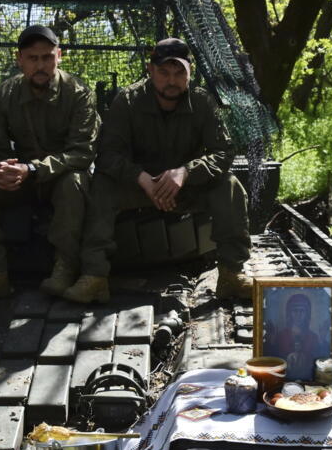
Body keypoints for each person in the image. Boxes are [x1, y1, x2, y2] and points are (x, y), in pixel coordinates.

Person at [67, 37, 252, 303]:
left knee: (229, 185)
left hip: (186, 188)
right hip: (140, 186)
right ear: (150, 70)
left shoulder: (202, 103)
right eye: (164, 72)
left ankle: (231, 275)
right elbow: (107, 154)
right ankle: (95, 276)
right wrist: (139, 177)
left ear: (190, 73)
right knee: (102, 185)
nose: (172, 80)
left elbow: (223, 152)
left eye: (179, 73)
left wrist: (186, 172)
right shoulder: (127, 102)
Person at [0, 25, 99, 303]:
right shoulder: (4, 94)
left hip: (59, 177)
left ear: (59, 56)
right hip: (22, 179)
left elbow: (82, 153)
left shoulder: (79, 93)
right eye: (33, 58)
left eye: (47, 57)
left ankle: (64, 269)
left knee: (74, 183)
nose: (41, 65)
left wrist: (33, 169)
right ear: (19, 59)